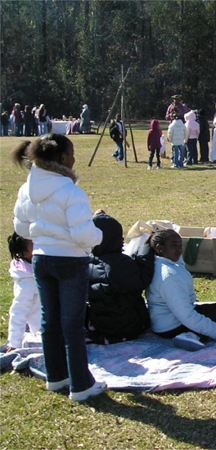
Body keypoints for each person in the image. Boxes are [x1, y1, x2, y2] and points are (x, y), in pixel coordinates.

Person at [12, 133, 107, 402]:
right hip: (70, 261)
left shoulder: (26, 189)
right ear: (63, 158)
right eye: (72, 153)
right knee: (72, 325)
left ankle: (56, 377)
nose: (75, 158)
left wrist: (44, 233)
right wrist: (99, 235)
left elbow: (20, 228)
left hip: (41, 260)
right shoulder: (70, 191)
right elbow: (84, 235)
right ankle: (81, 385)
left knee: (49, 321)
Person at [145, 229, 216, 351]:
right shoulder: (169, 276)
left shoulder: (161, 263)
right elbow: (185, 315)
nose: (179, 250)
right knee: (215, 313)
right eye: (174, 245)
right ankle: (189, 335)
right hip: (170, 327)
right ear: (159, 248)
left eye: (180, 245)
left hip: (163, 322)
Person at [85, 213, 153, 345]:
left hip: (100, 323)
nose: (122, 239)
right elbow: (142, 279)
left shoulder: (88, 261)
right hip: (126, 326)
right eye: (119, 236)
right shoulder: (119, 264)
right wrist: (146, 250)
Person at [3, 232, 40, 352]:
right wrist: (15, 342)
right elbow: (19, 310)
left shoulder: (39, 265)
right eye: (33, 244)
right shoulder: (27, 281)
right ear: (25, 253)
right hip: (43, 327)